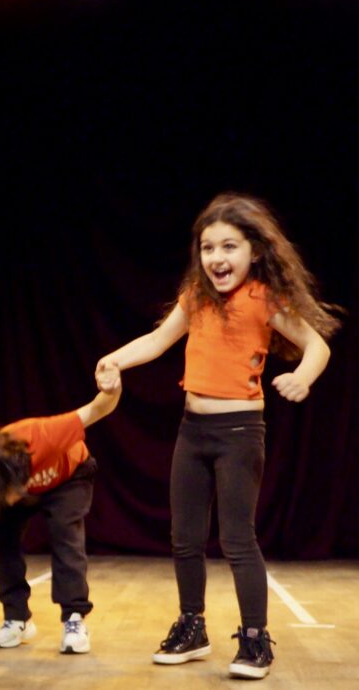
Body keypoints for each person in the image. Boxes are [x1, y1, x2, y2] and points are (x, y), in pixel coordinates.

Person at [94, 192, 341, 680]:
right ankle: (192, 626)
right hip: (193, 431)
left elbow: (315, 344)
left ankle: (254, 639)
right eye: (208, 248)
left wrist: (303, 378)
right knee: (184, 538)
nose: (217, 258)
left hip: (239, 433)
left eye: (229, 247)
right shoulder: (196, 296)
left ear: (254, 251)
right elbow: (158, 340)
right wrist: (115, 359)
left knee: (237, 539)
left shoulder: (264, 298)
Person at [0, 365, 122, 654]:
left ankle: (73, 618)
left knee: (64, 532)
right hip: (22, 486)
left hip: (70, 477)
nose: (1, 501)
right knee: (2, 537)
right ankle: (16, 617)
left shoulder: (45, 435)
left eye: (1, 496)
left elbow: (100, 408)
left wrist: (112, 386)